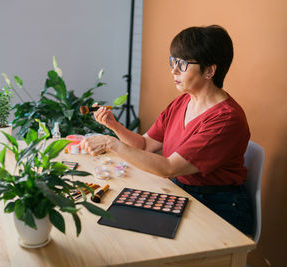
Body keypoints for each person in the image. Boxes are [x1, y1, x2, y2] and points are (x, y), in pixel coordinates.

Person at [80, 25, 253, 236]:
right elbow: (144, 145)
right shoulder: (183, 101)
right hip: (182, 191)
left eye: (182, 64)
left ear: (209, 70)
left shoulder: (225, 119)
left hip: (219, 207)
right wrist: (112, 125)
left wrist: (110, 143)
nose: (174, 70)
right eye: (173, 61)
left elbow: (169, 167)